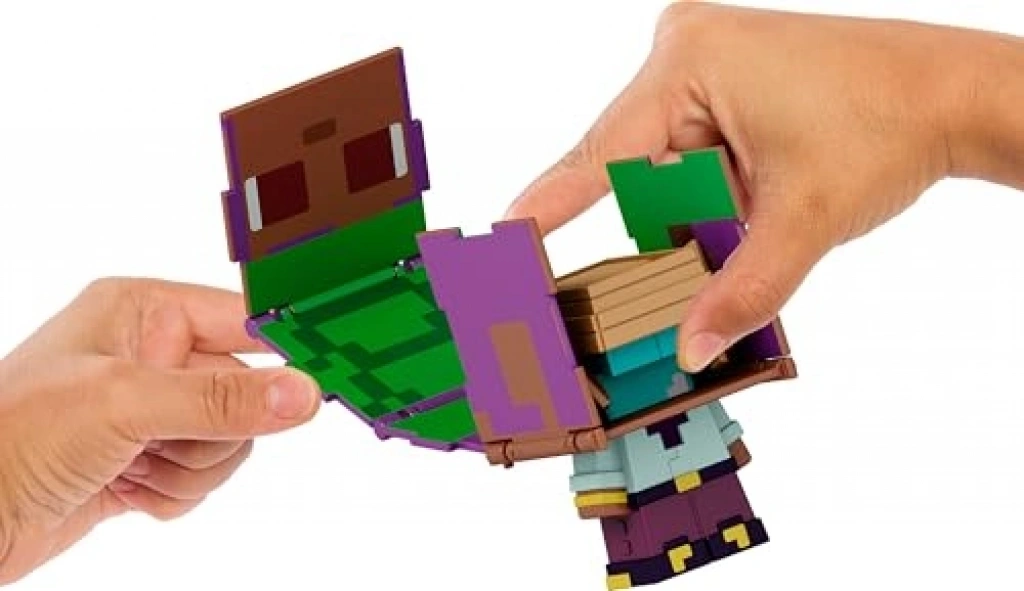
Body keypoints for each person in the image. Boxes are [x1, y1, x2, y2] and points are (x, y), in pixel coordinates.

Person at [0, 1, 1021, 585]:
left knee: (678, 487)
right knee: (652, 500)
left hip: (605, 397)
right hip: (580, 400)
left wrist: (947, 102)